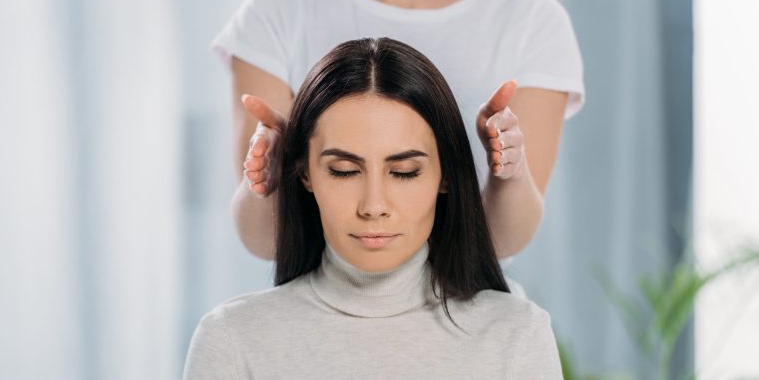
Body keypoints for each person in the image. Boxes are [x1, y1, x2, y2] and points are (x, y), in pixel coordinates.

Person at [219, 0, 584, 261]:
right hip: (314, 313)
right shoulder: (273, 20)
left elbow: (502, 241)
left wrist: (508, 173)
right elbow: (266, 242)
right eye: (343, 169)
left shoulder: (533, 23)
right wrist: (269, 178)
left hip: (470, 314)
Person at [184, 38, 562, 379]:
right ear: (305, 174)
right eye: (344, 171)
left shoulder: (517, 336)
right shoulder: (233, 341)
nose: (374, 206)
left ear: (445, 175)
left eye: (404, 172)